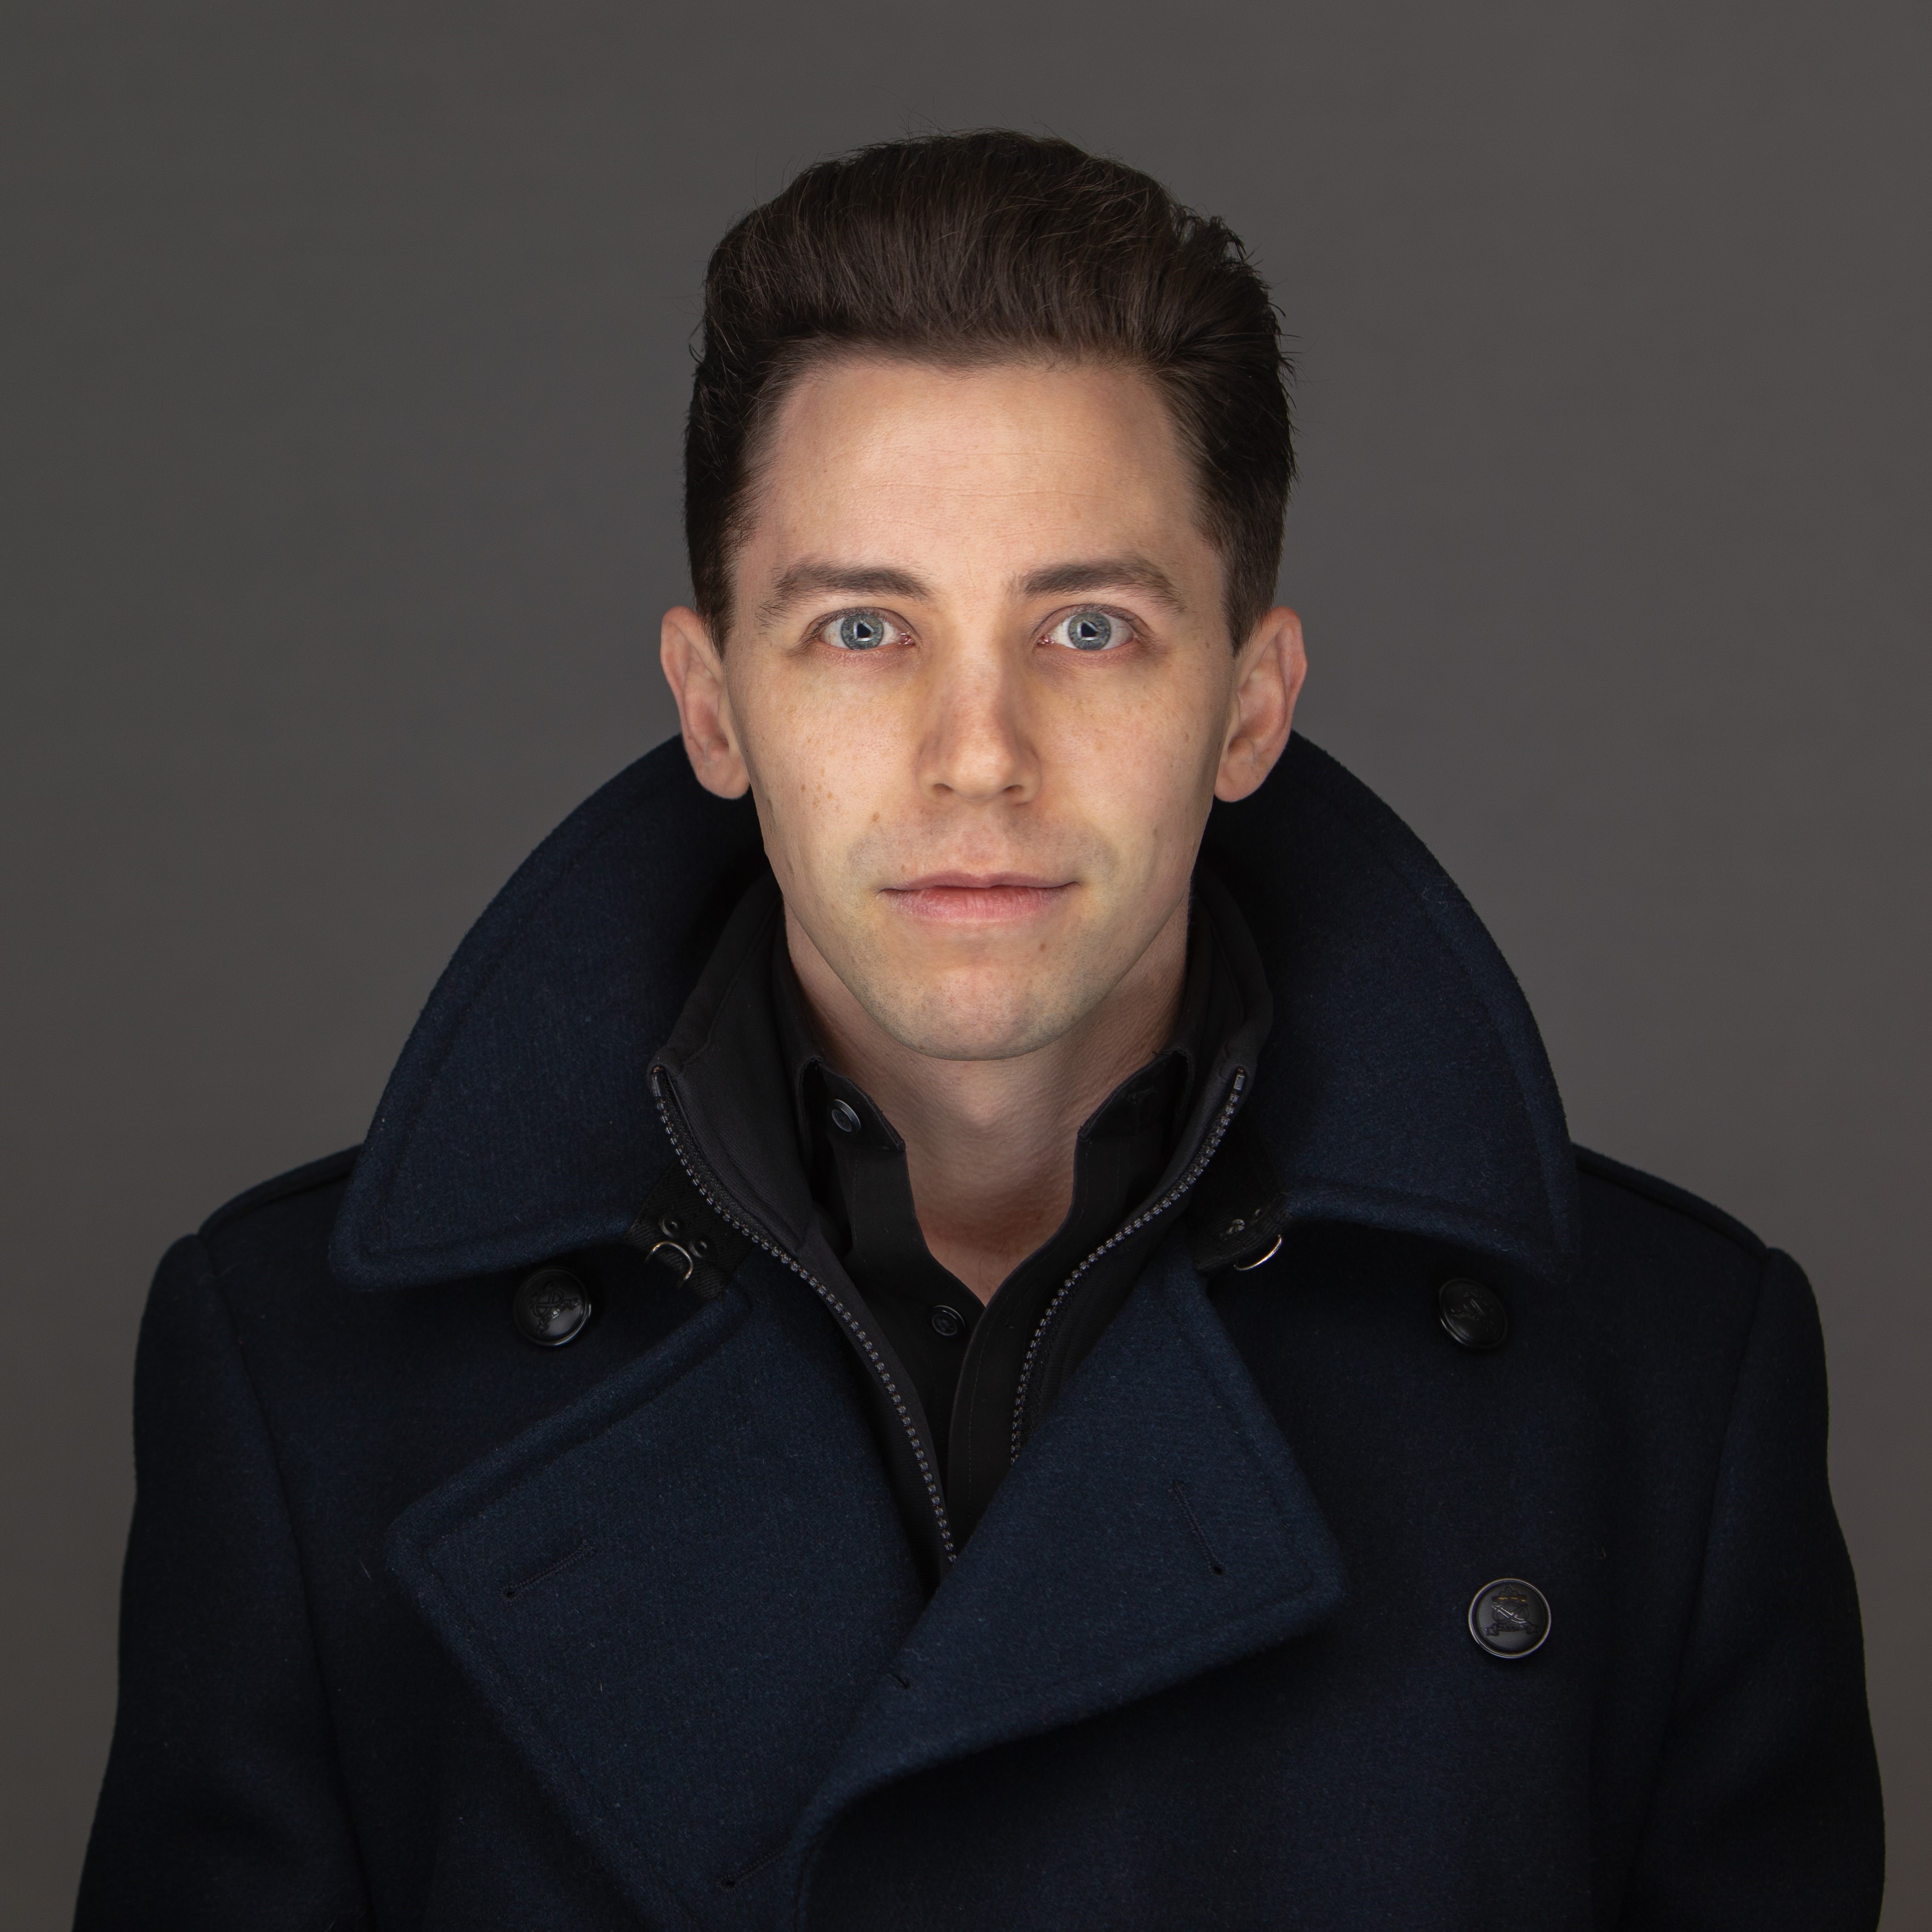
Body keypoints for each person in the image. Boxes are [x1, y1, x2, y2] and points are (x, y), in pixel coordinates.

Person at [77, 132, 1883, 1930]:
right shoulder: (304, 1382)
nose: (977, 754)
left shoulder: (1660, 1387)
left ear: (1249, 706)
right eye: (863, 627)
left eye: (1087, 627)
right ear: (714, 706)